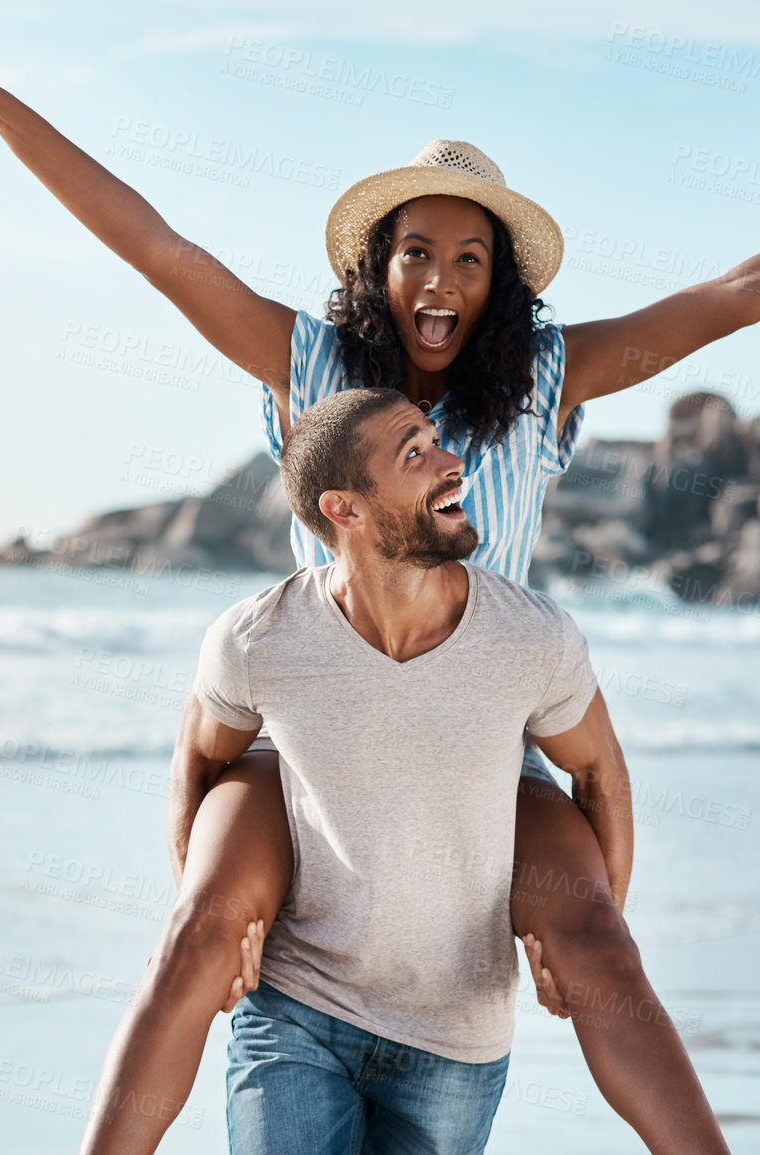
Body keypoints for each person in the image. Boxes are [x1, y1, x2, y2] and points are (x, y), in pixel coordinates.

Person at [0, 4, 760, 1151]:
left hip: (480, 740)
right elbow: (157, 247)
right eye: (418, 251)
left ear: (499, 280)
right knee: (200, 926)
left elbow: (738, 294)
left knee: (602, 940)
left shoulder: (549, 377)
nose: (441, 278)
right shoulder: (304, 361)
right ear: (382, 263)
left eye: (471, 256)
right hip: (316, 734)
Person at [159, 385, 628, 1154]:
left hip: (455, 1036)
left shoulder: (526, 635)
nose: (453, 463)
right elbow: (200, 756)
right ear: (343, 509)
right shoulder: (260, 638)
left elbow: (601, 772)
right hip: (296, 1010)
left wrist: (599, 930)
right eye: (417, 453)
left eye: (438, 441)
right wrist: (199, 914)